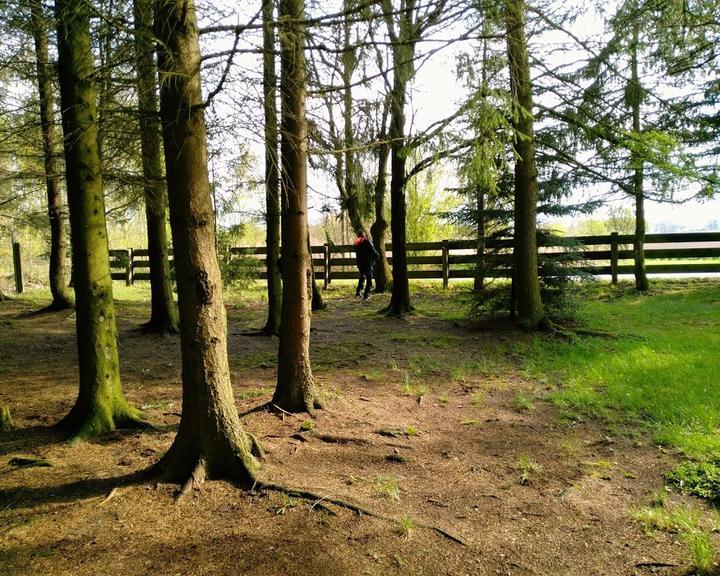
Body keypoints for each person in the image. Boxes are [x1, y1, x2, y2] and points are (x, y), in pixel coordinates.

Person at [354, 230, 379, 301]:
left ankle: (358, 292)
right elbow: (374, 252)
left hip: (360, 263)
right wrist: (376, 256)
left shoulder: (356, 243)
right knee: (369, 279)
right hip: (367, 263)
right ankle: (366, 295)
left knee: (362, 277)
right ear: (364, 235)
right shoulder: (367, 242)